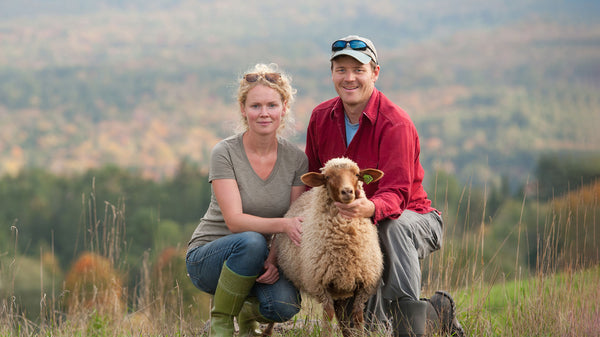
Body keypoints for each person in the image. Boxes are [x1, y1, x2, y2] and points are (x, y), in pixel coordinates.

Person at [305, 35, 465, 337]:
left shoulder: (396, 124)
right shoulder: (321, 118)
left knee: (388, 226)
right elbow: (312, 177)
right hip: (355, 223)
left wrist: (370, 208)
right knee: (364, 317)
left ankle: (410, 330)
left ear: (375, 73)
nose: (349, 78)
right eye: (341, 70)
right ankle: (434, 313)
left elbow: (397, 194)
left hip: (414, 218)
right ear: (332, 74)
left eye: (359, 70)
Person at [186, 63, 308, 336]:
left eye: (271, 105)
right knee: (251, 240)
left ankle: (244, 311)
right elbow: (235, 222)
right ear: (243, 109)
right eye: (255, 106)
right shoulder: (225, 152)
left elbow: (293, 217)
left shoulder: (297, 160)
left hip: (262, 258)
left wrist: (274, 259)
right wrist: (283, 227)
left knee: (284, 305)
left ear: (284, 107)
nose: (264, 113)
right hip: (211, 258)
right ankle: (221, 324)